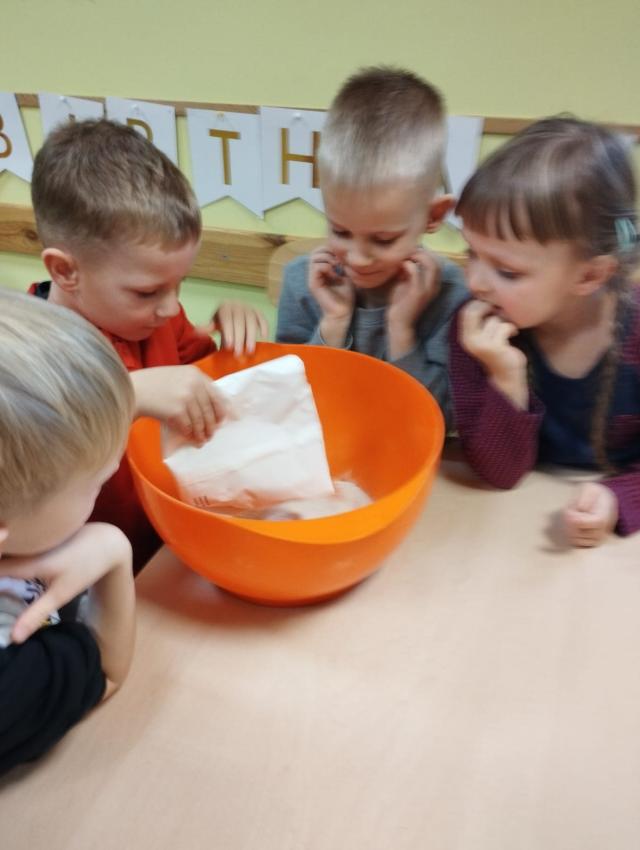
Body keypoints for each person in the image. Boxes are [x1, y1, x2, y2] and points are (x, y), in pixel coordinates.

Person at [30, 119, 268, 569]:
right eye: (147, 292)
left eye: (180, 284)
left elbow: (203, 386)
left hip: (168, 551)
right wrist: (128, 396)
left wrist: (229, 342)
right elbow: (35, 457)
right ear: (65, 271)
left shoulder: (159, 319)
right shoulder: (27, 352)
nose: (171, 306)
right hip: (87, 578)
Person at [449, 116, 640, 547]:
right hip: (512, 529)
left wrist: (620, 497)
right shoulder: (478, 330)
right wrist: (505, 377)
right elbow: (500, 473)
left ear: (590, 275)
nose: (475, 282)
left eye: (507, 271)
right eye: (471, 252)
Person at [275, 66, 468, 428]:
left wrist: (401, 331)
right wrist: (333, 323)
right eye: (340, 231)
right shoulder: (302, 282)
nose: (359, 258)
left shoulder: (452, 295)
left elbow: (445, 420)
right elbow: (289, 403)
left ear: (433, 216)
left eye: (384, 239)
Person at [0, 290, 135, 776]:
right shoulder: (13, 680)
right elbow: (106, 672)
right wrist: (112, 550)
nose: (107, 484)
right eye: (96, 484)